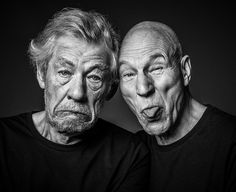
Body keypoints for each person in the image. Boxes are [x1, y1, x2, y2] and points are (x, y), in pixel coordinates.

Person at [0, 8, 149, 192]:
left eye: (94, 77)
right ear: (41, 73)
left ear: (111, 89)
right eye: (64, 72)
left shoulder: (130, 156)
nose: (78, 93)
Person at [119, 21, 236, 192]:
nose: (143, 88)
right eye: (128, 74)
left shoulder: (230, 141)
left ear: (185, 70)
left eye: (156, 68)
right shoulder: (132, 152)